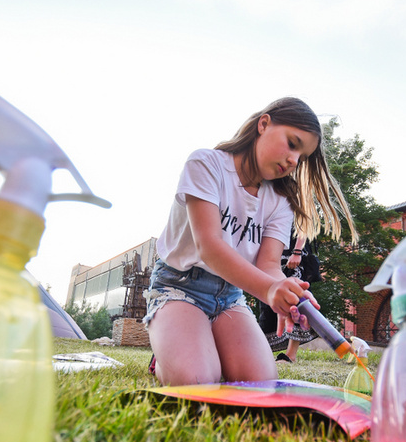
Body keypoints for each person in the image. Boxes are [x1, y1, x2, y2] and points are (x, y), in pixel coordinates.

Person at [143, 97, 357, 386]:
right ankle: (168, 352)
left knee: (261, 383)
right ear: (264, 124)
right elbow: (210, 246)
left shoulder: (281, 201)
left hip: (231, 296)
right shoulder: (206, 164)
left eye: (302, 157)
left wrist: (288, 292)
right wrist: (270, 290)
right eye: (292, 144)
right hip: (180, 285)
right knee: (196, 381)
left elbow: (269, 264)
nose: (294, 160)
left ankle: (197, 343)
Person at [258, 232, 322, 363]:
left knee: (296, 300)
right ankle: (264, 353)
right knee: (268, 299)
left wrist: (297, 251)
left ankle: (290, 355)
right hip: (276, 250)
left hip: (293, 252)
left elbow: (305, 222)